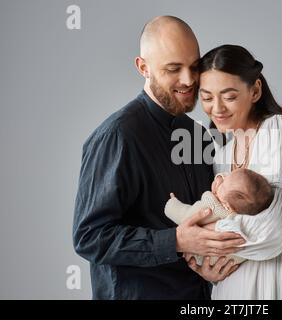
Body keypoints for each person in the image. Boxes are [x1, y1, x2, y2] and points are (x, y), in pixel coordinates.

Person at [72, 17, 244, 300]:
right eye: (173, 69)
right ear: (143, 68)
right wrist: (175, 241)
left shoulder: (199, 135)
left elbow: (208, 217)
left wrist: (208, 268)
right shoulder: (117, 136)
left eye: (194, 66)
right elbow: (89, 237)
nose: (189, 80)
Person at [186, 44, 282, 299]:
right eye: (207, 97)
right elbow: (227, 219)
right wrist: (209, 267)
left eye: (229, 96)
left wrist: (205, 239)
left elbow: (274, 231)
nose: (217, 108)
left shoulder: (277, 129)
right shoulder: (222, 155)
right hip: (234, 284)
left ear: (255, 90)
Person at [165, 168, 274, 265]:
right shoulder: (244, 221)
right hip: (224, 263)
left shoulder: (211, 206)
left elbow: (184, 217)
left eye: (223, 182)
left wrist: (171, 204)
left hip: (200, 257)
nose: (222, 179)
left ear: (226, 206)